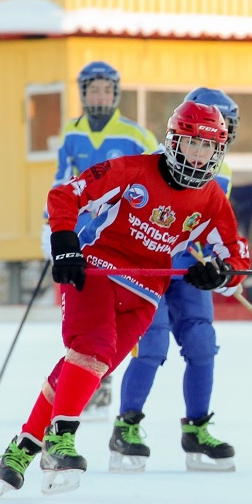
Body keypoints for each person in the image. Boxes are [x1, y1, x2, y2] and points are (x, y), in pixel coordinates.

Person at [0, 101, 249, 498]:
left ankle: (24, 446)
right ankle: (62, 440)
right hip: (97, 272)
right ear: (173, 141)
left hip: (146, 294)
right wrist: (64, 242)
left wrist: (218, 273)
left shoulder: (212, 198)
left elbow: (236, 256)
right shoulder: (134, 170)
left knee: (86, 371)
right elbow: (65, 194)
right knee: (92, 351)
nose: (199, 155)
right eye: (191, 144)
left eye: (208, 148)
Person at [108, 88, 242, 473]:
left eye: (225, 126)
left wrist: (222, 265)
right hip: (150, 267)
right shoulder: (165, 158)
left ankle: (196, 429)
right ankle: (126, 425)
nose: (215, 137)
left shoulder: (223, 173)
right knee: (150, 342)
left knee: (202, 344)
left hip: (189, 270)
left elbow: (220, 232)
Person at [44, 61, 159, 418]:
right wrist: (51, 225)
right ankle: (77, 371)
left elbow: (153, 181)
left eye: (104, 89)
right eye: (92, 89)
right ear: (83, 93)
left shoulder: (134, 135)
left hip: (116, 238)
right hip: (78, 237)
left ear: (115, 93)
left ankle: (99, 377)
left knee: (111, 310)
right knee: (76, 307)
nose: (98, 96)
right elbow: (62, 180)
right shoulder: (71, 132)